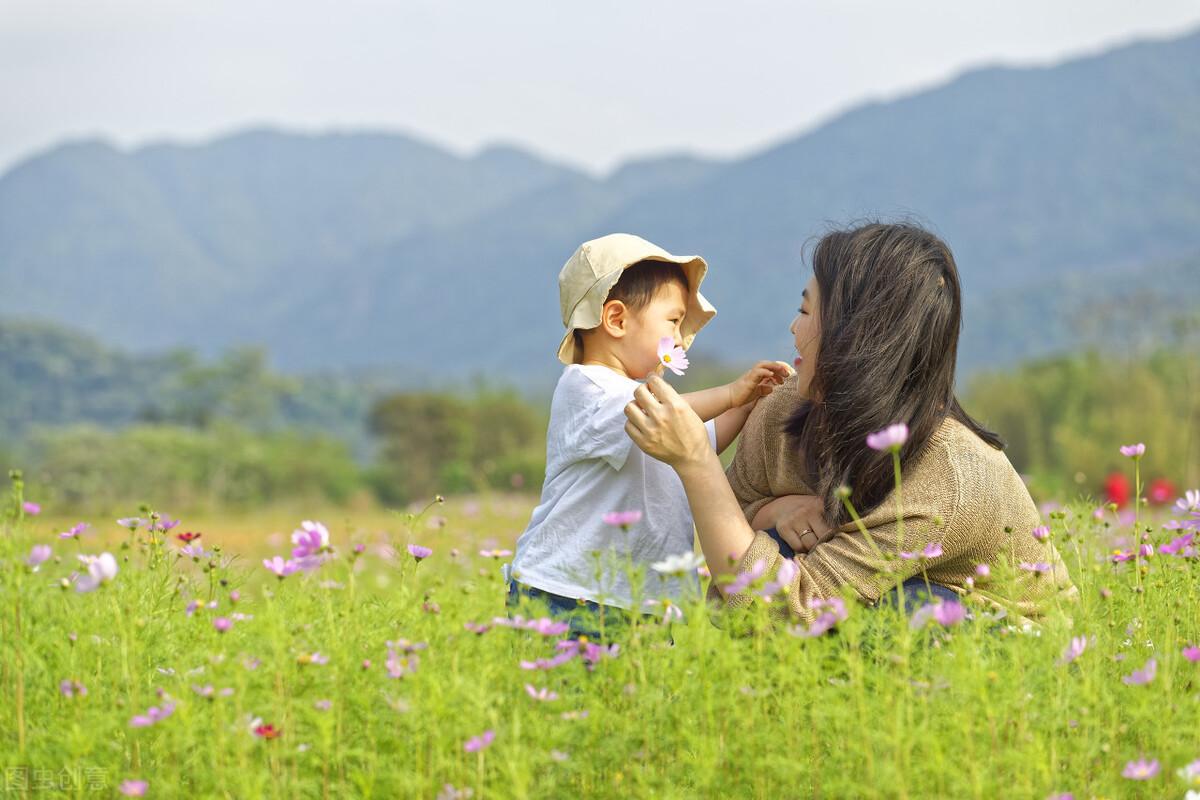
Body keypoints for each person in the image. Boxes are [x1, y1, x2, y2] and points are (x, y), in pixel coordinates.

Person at [622, 222, 1078, 626]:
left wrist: (697, 462)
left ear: (857, 334)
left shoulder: (948, 474)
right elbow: (728, 571)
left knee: (907, 613)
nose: (792, 330)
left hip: (1012, 661)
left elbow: (786, 610)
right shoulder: (781, 410)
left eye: (805, 312)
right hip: (852, 640)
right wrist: (770, 513)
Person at [506, 233, 791, 636]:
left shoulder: (644, 398)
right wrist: (730, 394)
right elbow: (653, 412)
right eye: (673, 321)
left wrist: (746, 406)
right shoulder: (586, 386)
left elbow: (698, 440)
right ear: (617, 320)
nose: (679, 339)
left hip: (641, 600)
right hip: (569, 593)